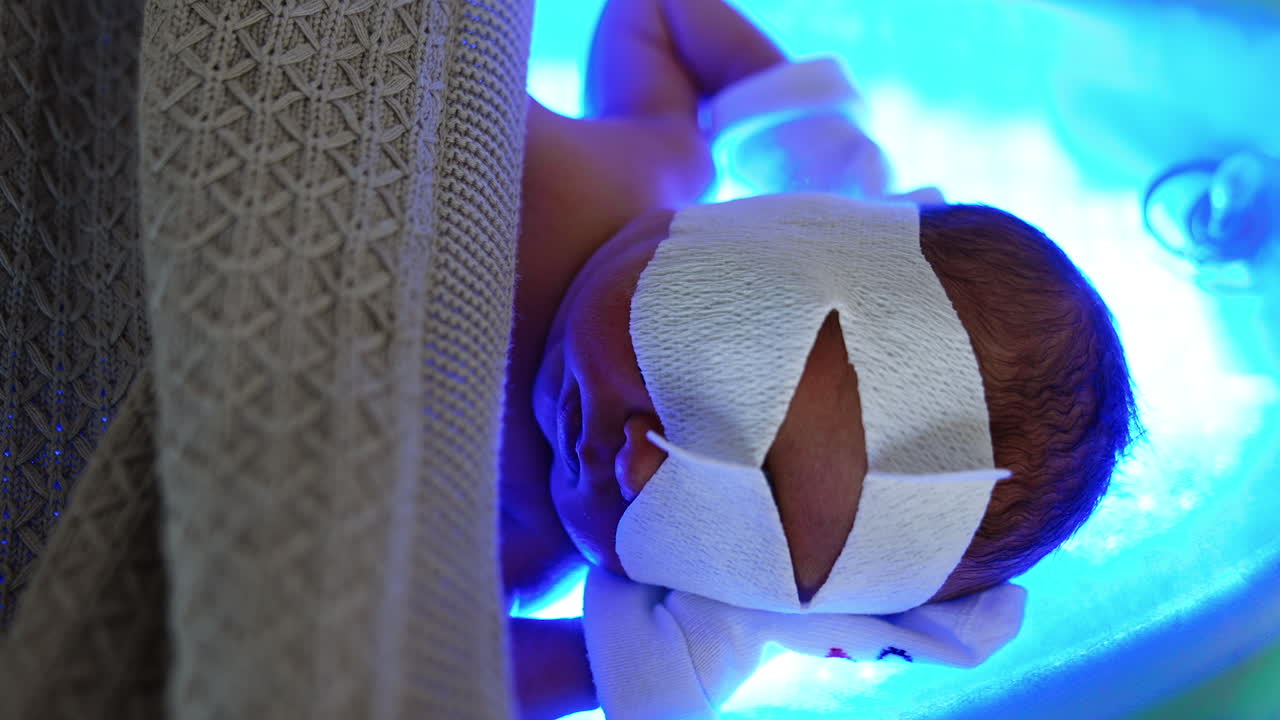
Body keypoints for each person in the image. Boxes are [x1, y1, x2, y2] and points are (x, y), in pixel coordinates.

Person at [502, 1, 1140, 718]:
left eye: (723, 532)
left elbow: (443, 672)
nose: (637, 466)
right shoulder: (645, 162)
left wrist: (627, 663)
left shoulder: (521, 544)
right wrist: (795, 119)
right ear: (782, 226)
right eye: (729, 369)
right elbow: (661, 16)